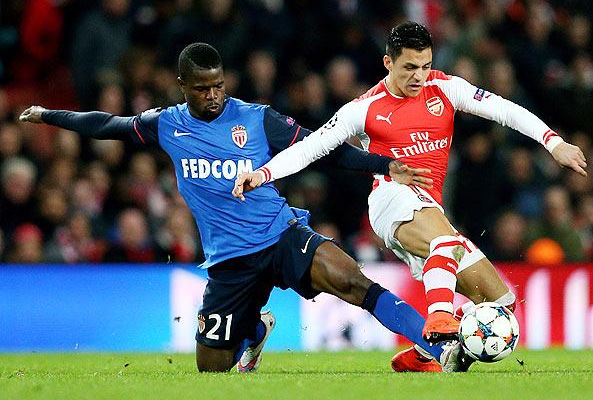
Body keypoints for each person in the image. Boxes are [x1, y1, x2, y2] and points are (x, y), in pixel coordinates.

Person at [19, 42, 455, 373]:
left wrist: (384, 166)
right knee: (211, 370)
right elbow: (106, 125)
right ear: (183, 86)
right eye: (202, 88)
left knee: (351, 280)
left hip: (280, 234)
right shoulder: (167, 124)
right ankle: (253, 328)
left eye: (218, 85)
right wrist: (48, 114)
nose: (213, 95)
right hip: (229, 261)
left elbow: (324, 148)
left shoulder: (256, 118)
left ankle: (439, 345)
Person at [234, 21, 588, 372]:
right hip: (392, 198)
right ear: (388, 63)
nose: (419, 76)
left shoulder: (446, 88)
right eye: (409, 68)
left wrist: (553, 143)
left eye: (425, 66)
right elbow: (312, 147)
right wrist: (263, 174)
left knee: (500, 306)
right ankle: (438, 319)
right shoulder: (366, 107)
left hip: (431, 207)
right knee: (446, 242)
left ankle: (425, 355)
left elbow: (505, 110)